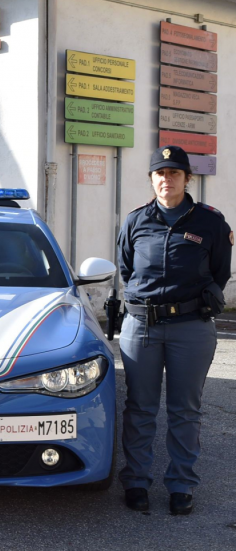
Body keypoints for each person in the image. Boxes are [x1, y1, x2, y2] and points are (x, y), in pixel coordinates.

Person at [116, 144, 232, 515]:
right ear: (152, 179)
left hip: (190, 327)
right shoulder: (135, 221)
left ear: (187, 178)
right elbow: (126, 270)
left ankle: (181, 484)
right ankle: (136, 480)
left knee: (185, 410)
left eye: (174, 173)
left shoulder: (211, 222)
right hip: (142, 326)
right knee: (140, 408)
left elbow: (219, 272)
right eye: (160, 173)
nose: (167, 179)